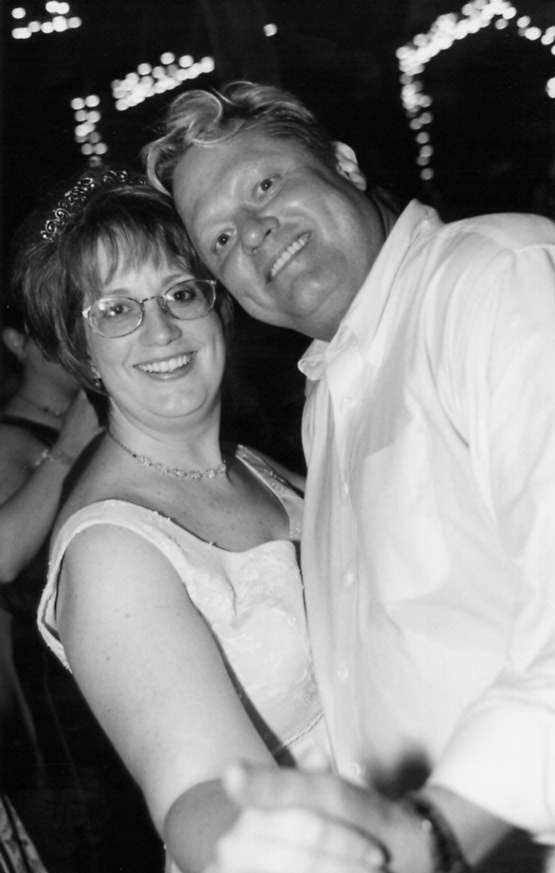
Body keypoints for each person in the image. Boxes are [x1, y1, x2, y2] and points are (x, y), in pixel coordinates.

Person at [143, 80, 555, 872]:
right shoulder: (327, 395)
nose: (253, 234)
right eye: (220, 239)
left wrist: (434, 831)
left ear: (344, 163)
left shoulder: (493, 278)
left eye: (264, 185)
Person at [19, 167, 334, 873]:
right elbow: (201, 794)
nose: (160, 330)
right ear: (81, 349)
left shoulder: (250, 464)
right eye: (115, 309)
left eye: (180, 293)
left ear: (217, 307)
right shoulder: (112, 551)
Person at [0, 286, 101, 873]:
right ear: (16, 342)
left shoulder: (99, 416)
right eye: (50, 329)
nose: (72, 341)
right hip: (61, 700)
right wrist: (69, 446)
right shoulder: (9, 438)